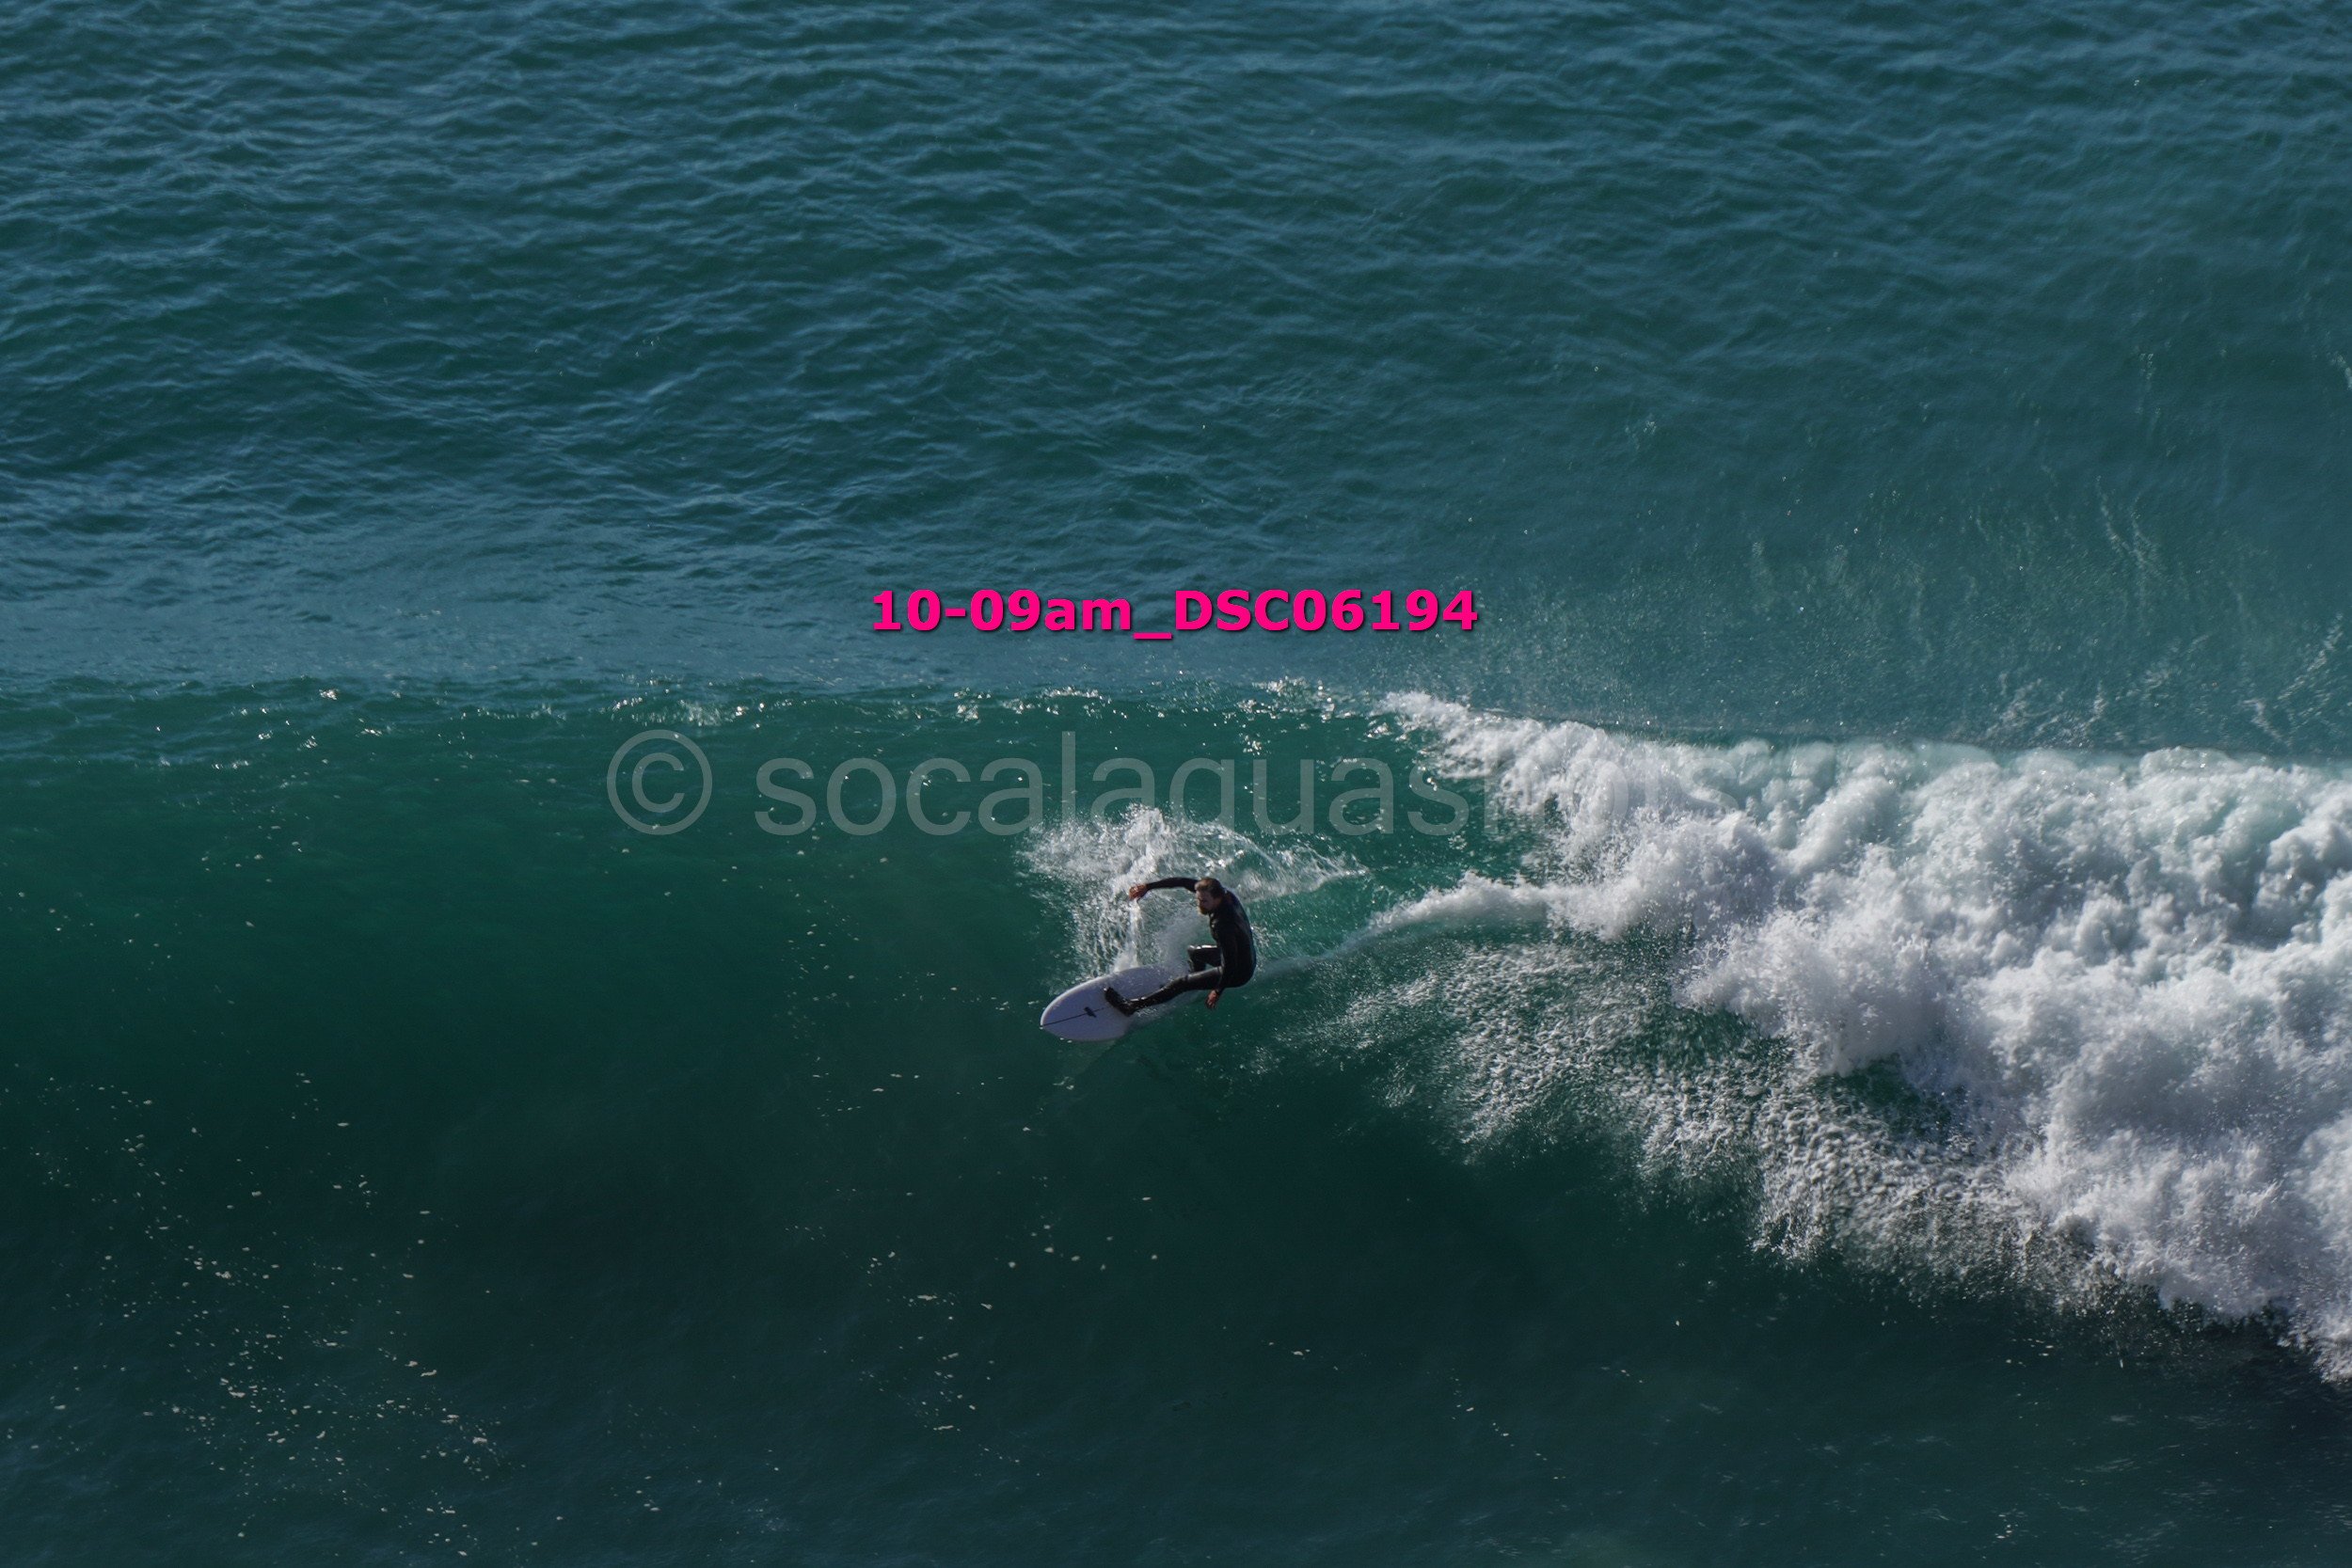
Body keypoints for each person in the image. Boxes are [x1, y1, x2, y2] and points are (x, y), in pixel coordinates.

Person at [1104, 876, 1256, 1016]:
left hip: (1237, 972)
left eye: (1204, 901)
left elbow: (1230, 963)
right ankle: (1196, 977)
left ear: (1217, 898)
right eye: (1198, 899)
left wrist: (1217, 991)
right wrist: (1148, 887)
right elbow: (1183, 882)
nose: (1200, 904)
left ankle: (1131, 1007)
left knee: (1180, 983)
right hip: (1242, 956)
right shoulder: (1226, 896)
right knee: (1194, 952)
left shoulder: (1222, 925)